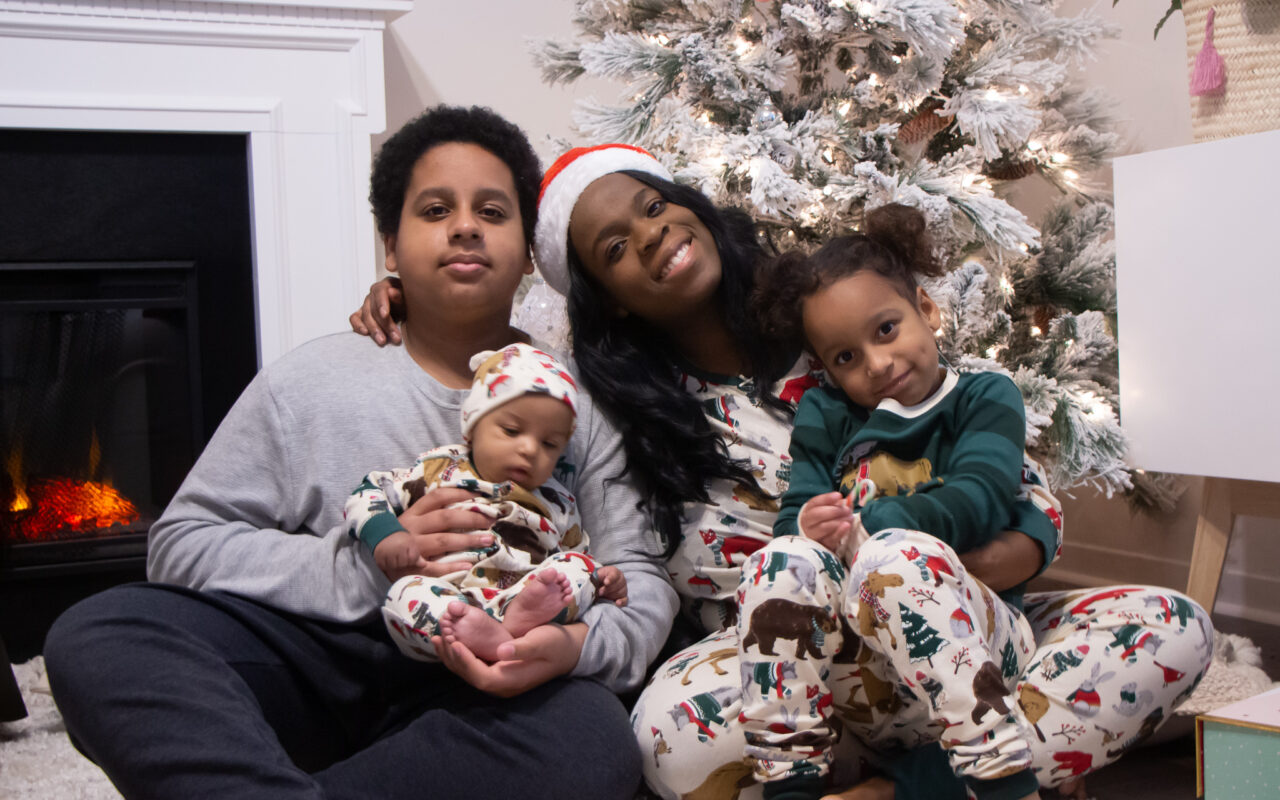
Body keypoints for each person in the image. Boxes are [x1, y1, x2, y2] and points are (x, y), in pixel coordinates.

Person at [351, 143, 1213, 800]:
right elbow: (511, 397)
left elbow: (1020, 493)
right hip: (796, 679)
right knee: (662, 740)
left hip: (960, 625)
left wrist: (958, 569)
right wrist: (409, 299)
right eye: (615, 245)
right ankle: (968, 765)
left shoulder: (839, 323)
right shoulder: (616, 414)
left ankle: (903, 788)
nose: (652, 235)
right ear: (604, 293)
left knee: (1172, 626)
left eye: (654, 206)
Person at [42, 106, 676, 800]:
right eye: (436, 209)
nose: (465, 225)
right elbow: (181, 545)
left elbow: (637, 580)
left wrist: (579, 647)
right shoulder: (308, 381)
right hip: (317, 661)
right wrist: (359, 564)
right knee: (100, 632)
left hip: (492, 688)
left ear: (527, 250)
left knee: (592, 744)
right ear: (390, 246)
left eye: (492, 212)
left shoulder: (580, 407)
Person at [733, 204, 1054, 800]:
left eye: (886, 330)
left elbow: (979, 500)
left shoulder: (983, 396)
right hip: (864, 660)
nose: (877, 365)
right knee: (775, 564)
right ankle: (791, 782)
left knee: (895, 562)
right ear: (826, 368)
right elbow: (792, 522)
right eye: (845, 358)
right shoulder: (827, 415)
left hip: (977, 637)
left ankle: (1002, 778)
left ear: (926, 310)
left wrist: (872, 527)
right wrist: (807, 525)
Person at [346, 341, 627, 663]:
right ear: (472, 428)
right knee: (403, 595)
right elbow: (367, 491)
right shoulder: (438, 468)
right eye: (511, 430)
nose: (530, 450)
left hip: (525, 595)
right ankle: (475, 634)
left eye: (549, 444)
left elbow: (576, 551)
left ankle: (513, 624)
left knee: (577, 568)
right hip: (448, 595)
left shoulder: (558, 499)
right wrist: (386, 535)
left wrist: (604, 578)